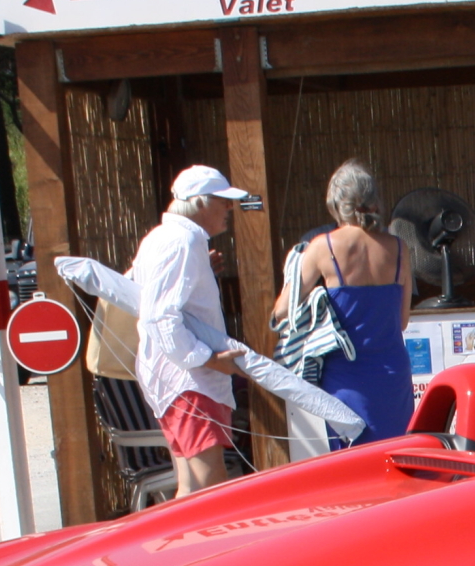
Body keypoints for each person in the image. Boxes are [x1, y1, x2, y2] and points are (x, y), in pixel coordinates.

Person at [130, 165, 252, 496]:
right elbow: (161, 316)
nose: (229, 208)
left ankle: (185, 547)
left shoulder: (163, 238)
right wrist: (210, 359)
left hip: (174, 379)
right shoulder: (183, 241)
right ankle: (201, 548)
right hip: (189, 381)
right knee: (207, 486)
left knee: (191, 484)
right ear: (199, 202)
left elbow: (140, 290)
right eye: (222, 201)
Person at [271, 159, 413, 442]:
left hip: (346, 377)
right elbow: (402, 321)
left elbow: (281, 312)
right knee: (397, 460)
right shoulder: (399, 248)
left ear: (335, 205)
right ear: (375, 201)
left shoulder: (322, 247)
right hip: (393, 375)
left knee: (354, 468)